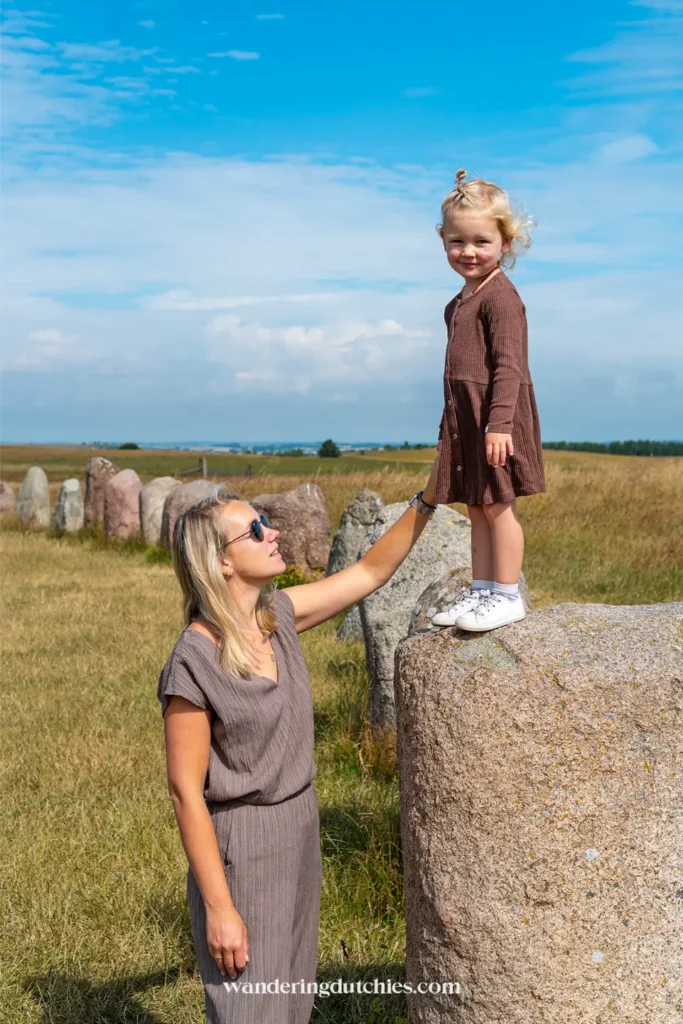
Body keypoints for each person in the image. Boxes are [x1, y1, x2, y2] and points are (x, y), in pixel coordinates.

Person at [156, 479, 439, 1024]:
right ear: (221, 564)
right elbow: (185, 792)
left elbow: (368, 573)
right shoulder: (193, 660)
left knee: (290, 1001)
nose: (273, 532)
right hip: (244, 845)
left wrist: (428, 499)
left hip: (300, 828)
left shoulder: (275, 617)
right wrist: (219, 909)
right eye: (256, 529)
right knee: (247, 1007)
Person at [428, 168, 545, 632]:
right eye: (458, 241)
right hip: (469, 420)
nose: (468, 251)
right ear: (442, 240)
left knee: (498, 504)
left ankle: (507, 594)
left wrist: (498, 424)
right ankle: (481, 592)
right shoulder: (457, 303)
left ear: (505, 243)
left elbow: (509, 367)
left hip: (496, 419)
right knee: (476, 505)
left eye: (481, 241)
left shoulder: (501, 298)